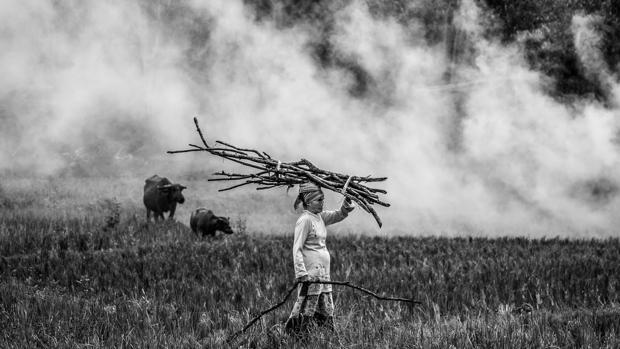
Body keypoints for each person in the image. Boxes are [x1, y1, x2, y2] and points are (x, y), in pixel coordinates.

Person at [284, 181, 355, 338]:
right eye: (319, 200)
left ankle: (325, 336)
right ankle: (300, 336)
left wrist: (346, 203)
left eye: (323, 199)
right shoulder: (305, 220)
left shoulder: (320, 217)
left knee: (324, 303)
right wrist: (301, 273)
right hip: (311, 273)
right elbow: (297, 248)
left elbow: (339, 214)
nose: (323, 203)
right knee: (308, 304)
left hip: (323, 272)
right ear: (309, 202)